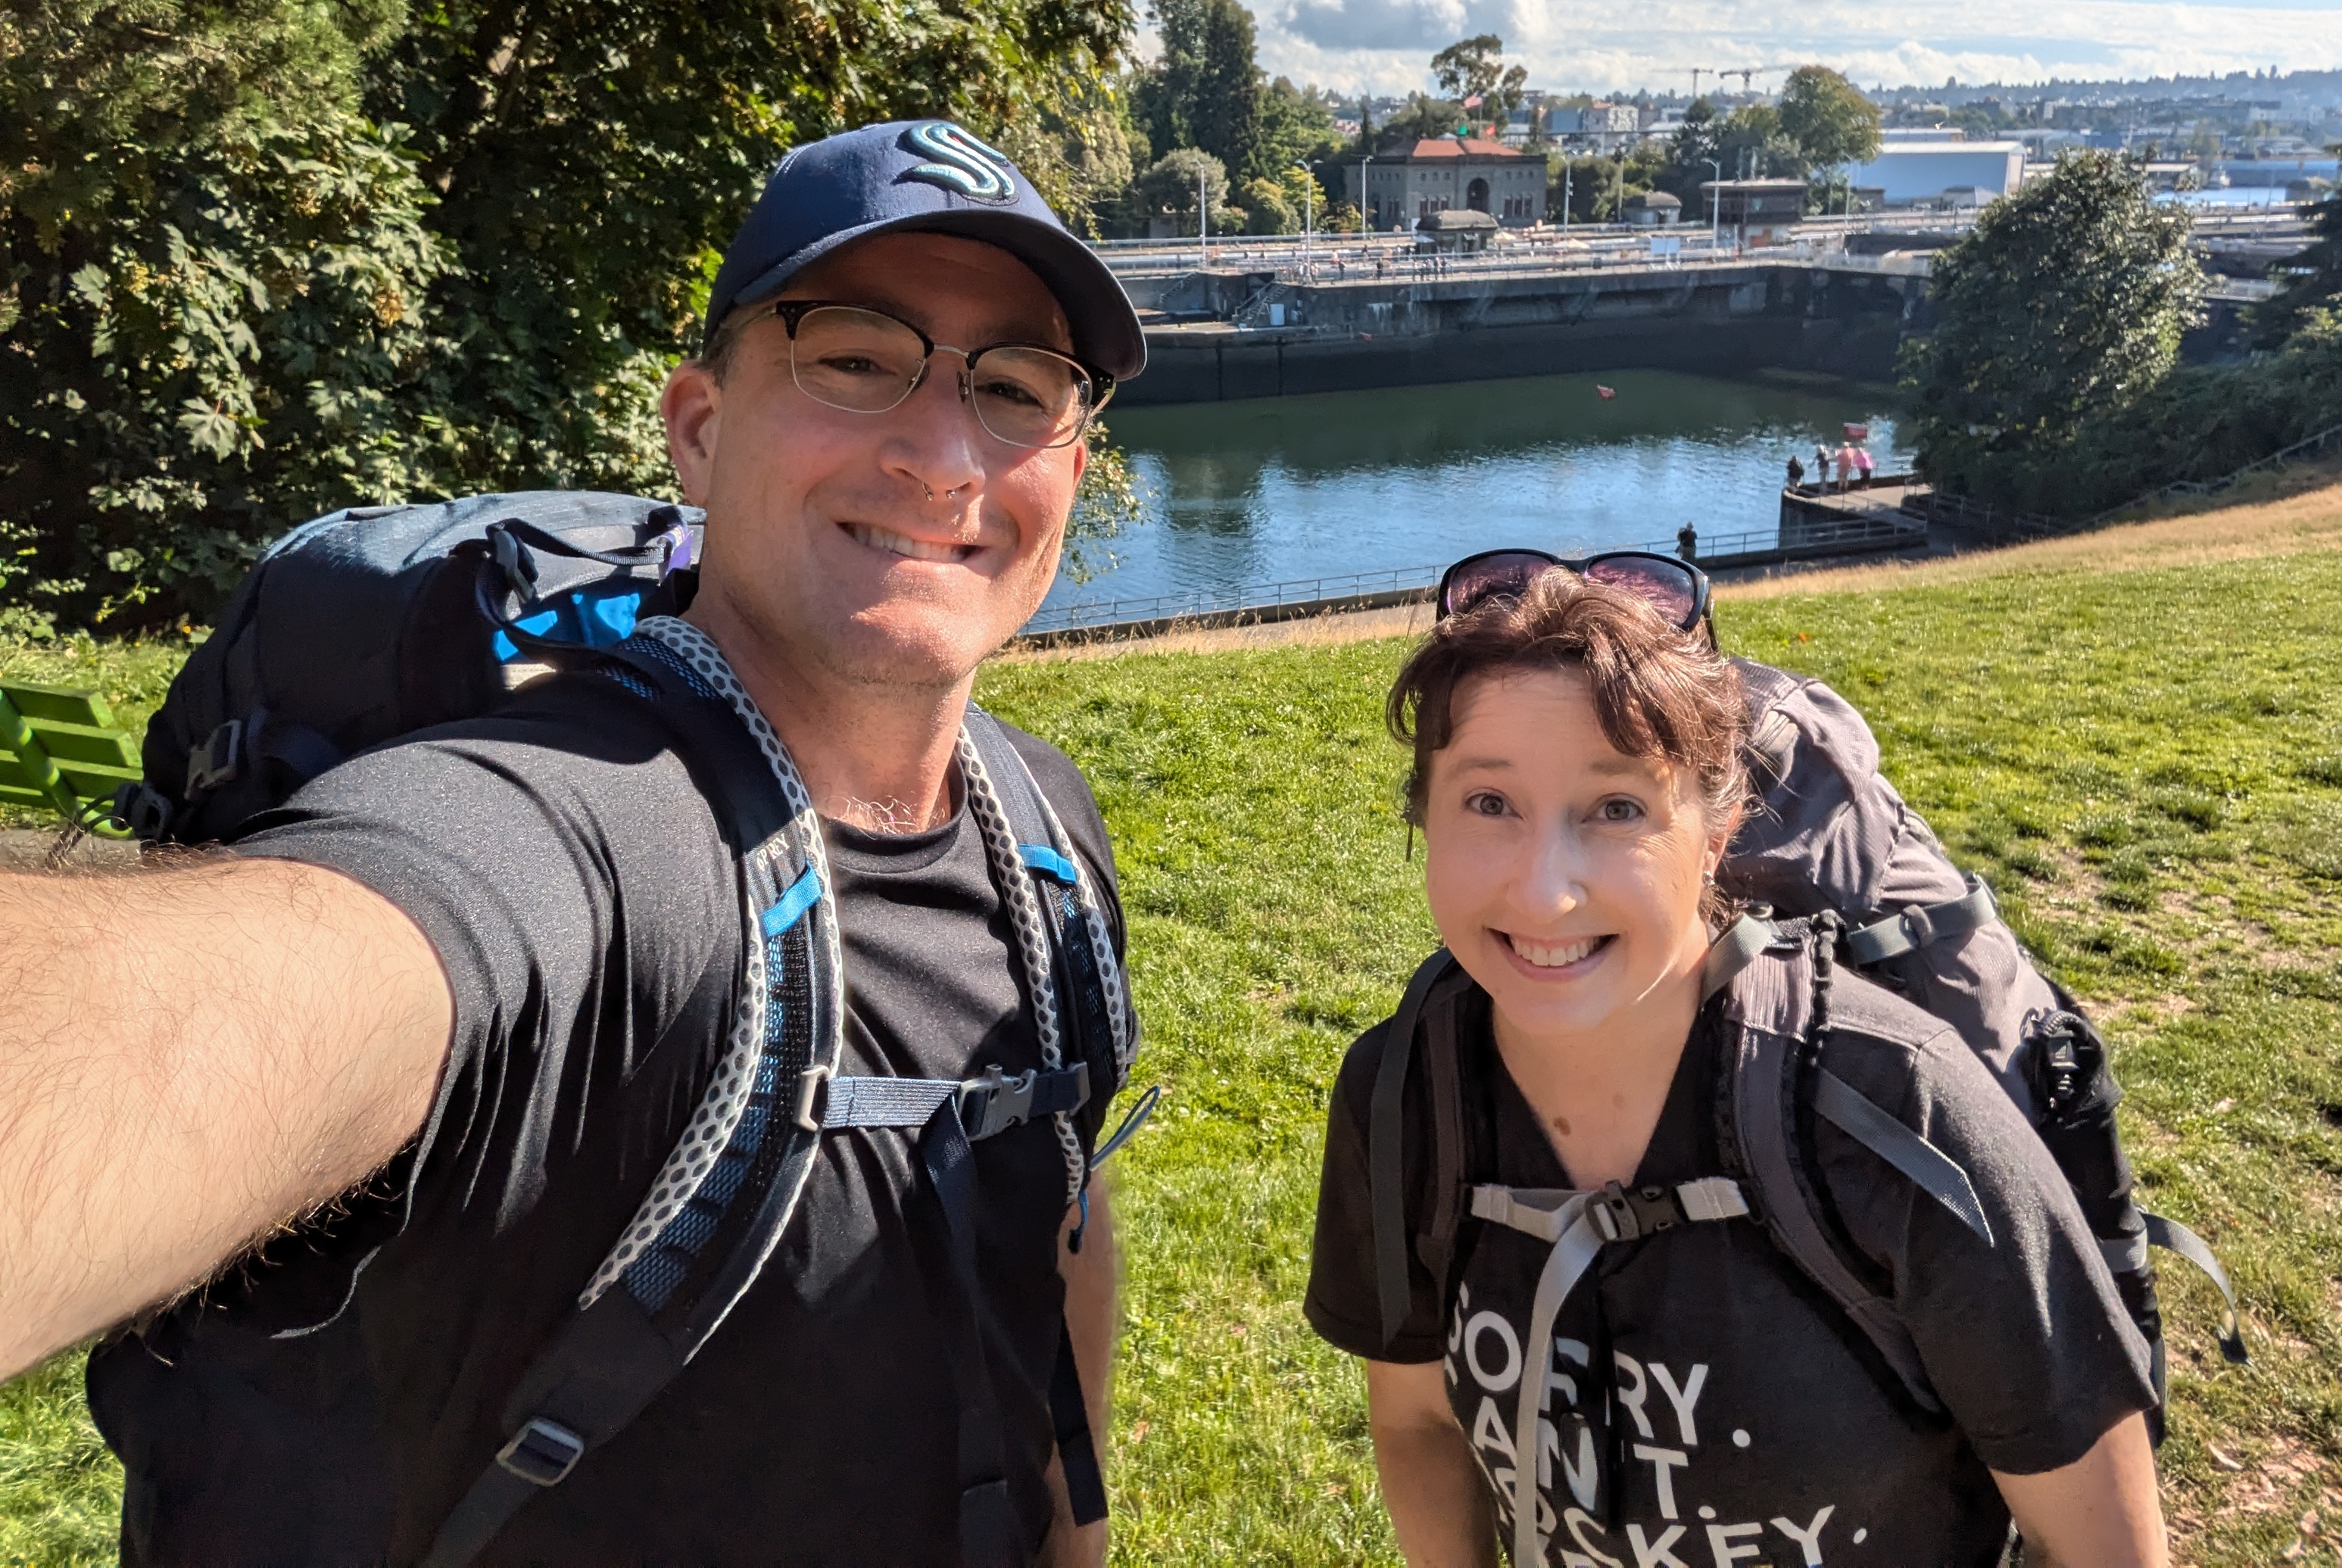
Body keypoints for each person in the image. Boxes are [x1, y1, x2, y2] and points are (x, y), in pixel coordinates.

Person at [0, 121, 1142, 1566]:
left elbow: (1056, 1210)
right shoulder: (566, 834)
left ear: (1071, 461)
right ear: (700, 428)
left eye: (1016, 387)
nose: (942, 453)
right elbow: (255, 994)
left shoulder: (1042, 833)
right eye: (857, 358)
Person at [1304, 565, 2166, 1567]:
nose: (1543, 893)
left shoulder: (1896, 1113)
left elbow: (2102, 1545)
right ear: (1425, 815)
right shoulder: (1406, 1092)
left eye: (1616, 808)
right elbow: (1418, 1418)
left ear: (1715, 835)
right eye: (1490, 801)